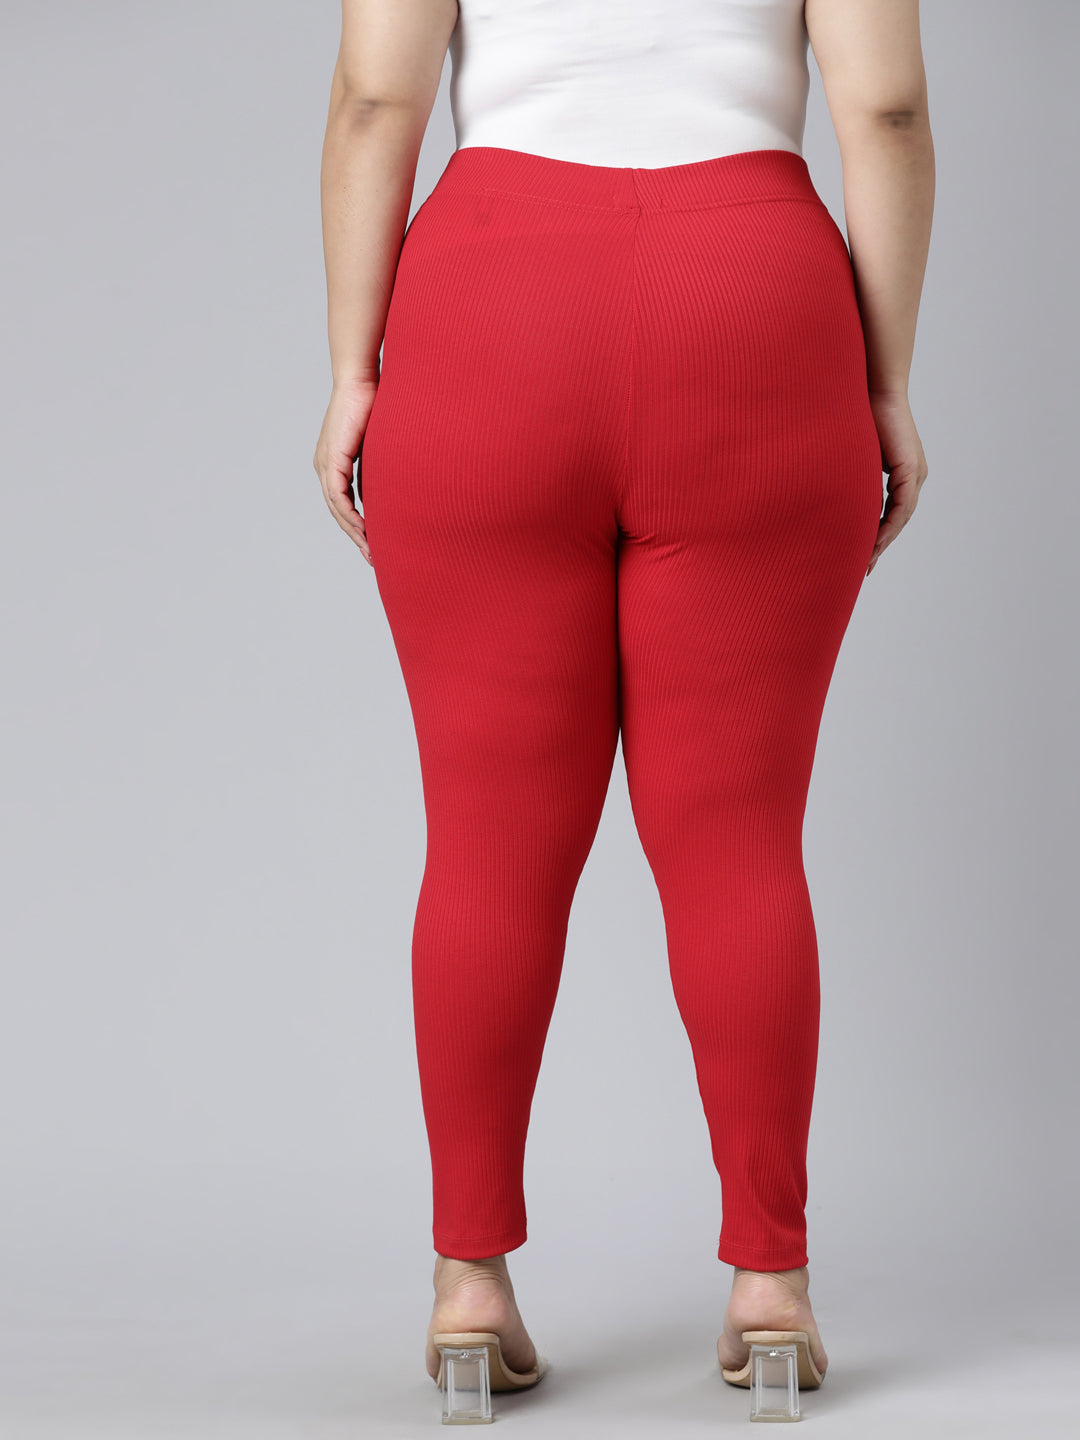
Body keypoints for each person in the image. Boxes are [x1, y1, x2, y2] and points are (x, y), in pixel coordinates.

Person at [313, 0, 933, 1398]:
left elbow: (373, 101)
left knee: (485, 845)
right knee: (740, 843)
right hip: (754, 299)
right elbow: (886, 112)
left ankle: (469, 1288)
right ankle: (770, 1286)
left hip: (490, 302)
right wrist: (886, 380)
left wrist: (354, 369)